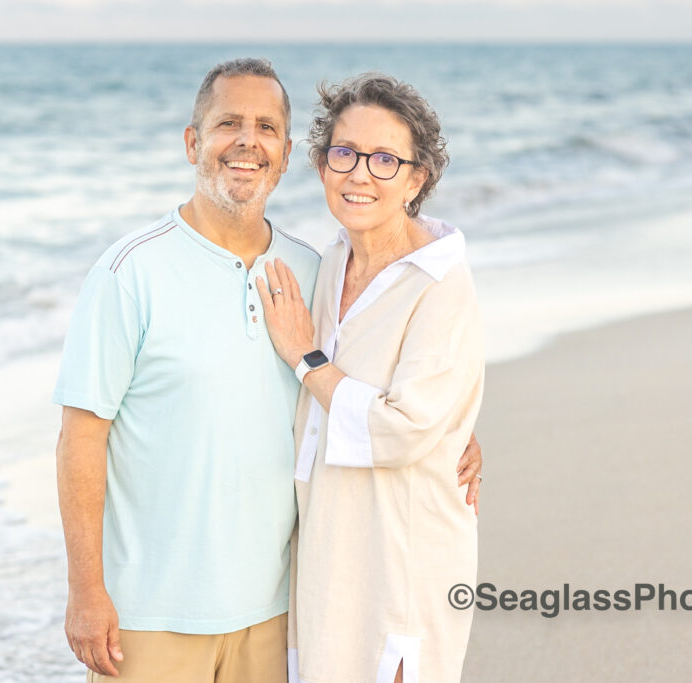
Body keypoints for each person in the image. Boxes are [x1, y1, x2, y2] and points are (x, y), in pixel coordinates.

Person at [53, 59, 482, 683]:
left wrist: (453, 428)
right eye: (228, 123)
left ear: (284, 157)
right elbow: (80, 438)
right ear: (193, 142)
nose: (247, 141)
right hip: (151, 613)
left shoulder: (311, 271)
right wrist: (85, 591)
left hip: (279, 613)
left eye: (266, 127)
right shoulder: (129, 273)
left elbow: (391, 384)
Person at [259, 74, 484, 683]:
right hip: (331, 552)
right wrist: (458, 430)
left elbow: (403, 429)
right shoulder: (331, 262)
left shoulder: (440, 283)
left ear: (417, 179)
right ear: (321, 163)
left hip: (403, 560)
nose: (360, 173)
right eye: (345, 153)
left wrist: (307, 359)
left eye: (386, 159)